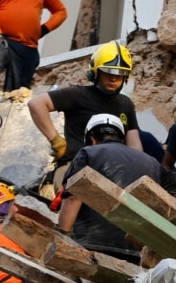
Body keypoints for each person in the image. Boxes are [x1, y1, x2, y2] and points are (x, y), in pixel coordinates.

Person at [58, 114, 176, 259]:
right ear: (121, 137)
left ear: (91, 139)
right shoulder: (152, 162)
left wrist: (63, 238)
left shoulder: (88, 153)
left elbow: (73, 198)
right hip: (137, 251)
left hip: (92, 246)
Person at [27, 42, 143, 188]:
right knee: (73, 204)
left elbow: (134, 144)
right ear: (96, 72)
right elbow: (36, 104)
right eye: (108, 72)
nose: (113, 78)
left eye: (119, 74)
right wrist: (56, 141)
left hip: (111, 172)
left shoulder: (125, 104)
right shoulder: (78, 94)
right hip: (75, 167)